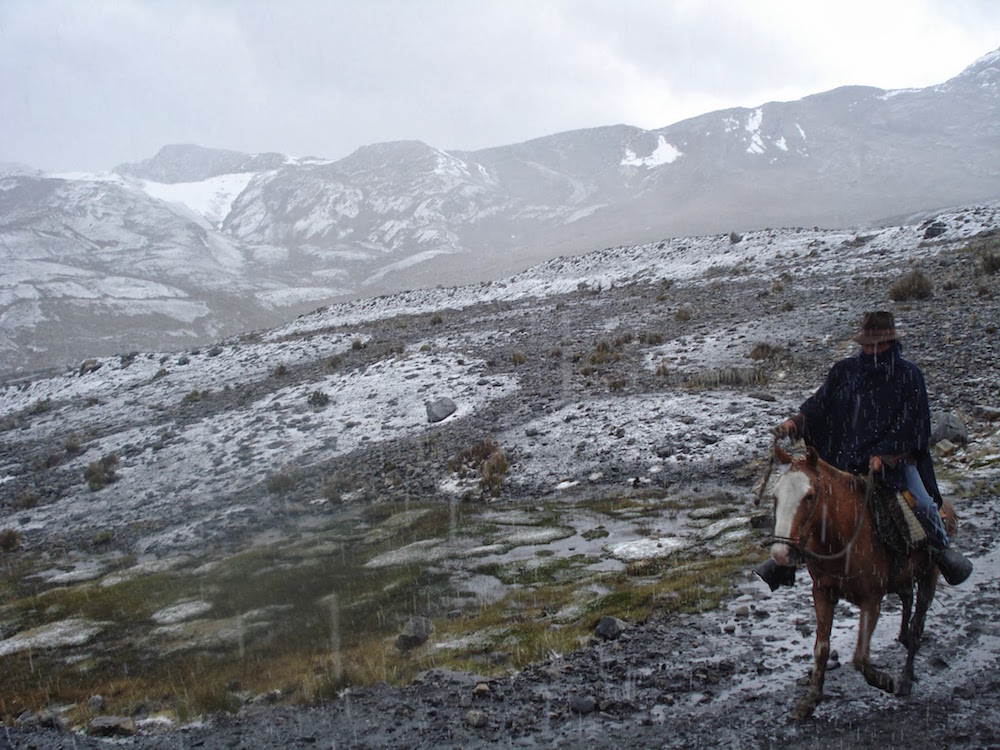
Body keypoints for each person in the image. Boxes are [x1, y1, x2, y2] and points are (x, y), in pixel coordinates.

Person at [755, 311, 973, 590]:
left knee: (921, 504)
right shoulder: (845, 372)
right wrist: (794, 423)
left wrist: (886, 455)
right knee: (798, 500)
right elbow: (819, 404)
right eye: (866, 345)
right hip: (844, 460)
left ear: (890, 343)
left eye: (876, 345)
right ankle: (785, 559)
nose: (870, 350)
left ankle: (940, 551)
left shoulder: (908, 376)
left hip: (892, 464)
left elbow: (913, 425)